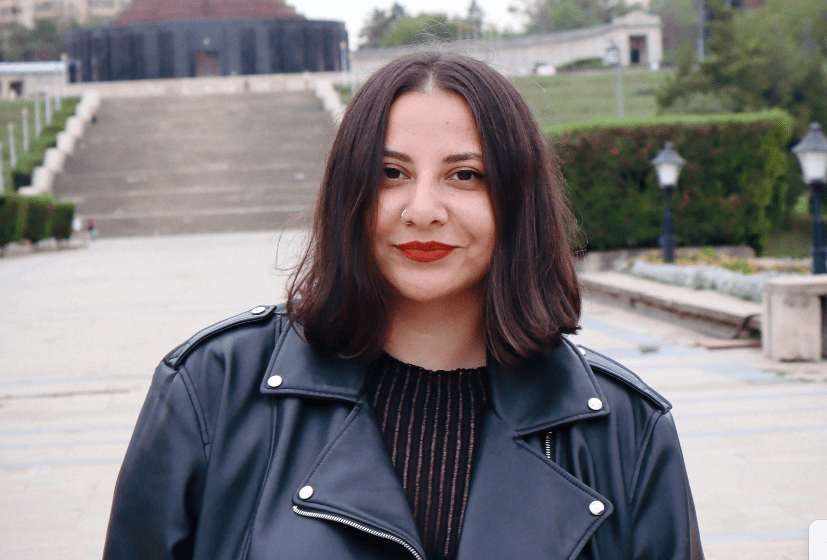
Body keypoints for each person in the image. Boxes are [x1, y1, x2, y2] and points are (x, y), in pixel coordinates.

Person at [103, 53, 704, 560]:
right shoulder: (211, 390)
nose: (422, 210)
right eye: (391, 173)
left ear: (518, 201)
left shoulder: (626, 429)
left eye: (465, 176)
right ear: (349, 193)